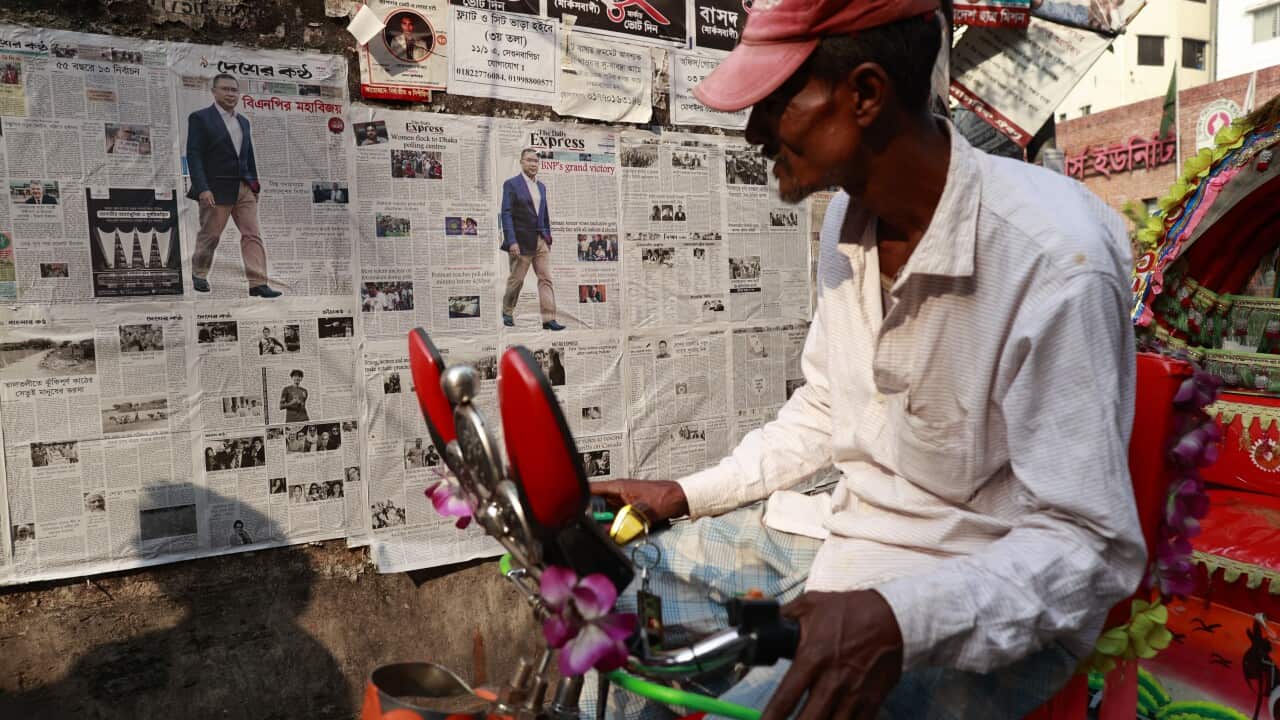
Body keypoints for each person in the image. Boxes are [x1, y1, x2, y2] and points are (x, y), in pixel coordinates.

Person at [586, 2, 1141, 719]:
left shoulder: (1054, 263)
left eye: (777, 103)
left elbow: (1088, 547)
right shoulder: (848, 222)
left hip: (982, 600)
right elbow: (826, 408)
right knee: (625, 612)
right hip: (842, 549)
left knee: (762, 701)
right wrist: (686, 493)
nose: (754, 132)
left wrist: (901, 620)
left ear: (866, 95)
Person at [185, 73, 281, 298]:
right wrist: (202, 188)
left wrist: (255, 186)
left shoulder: (243, 121)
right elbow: (194, 154)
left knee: (252, 234)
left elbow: (248, 155)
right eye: (225, 89)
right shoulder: (200, 118)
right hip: (216, 190)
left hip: (244, 188)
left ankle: (257, 283)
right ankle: (199, 274)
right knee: (211, 235)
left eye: (234, 90)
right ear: (214, 91)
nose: (230, 94)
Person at [500, 148, 564, 331]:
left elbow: (544, 214)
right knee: (516, 280)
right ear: (521, 162)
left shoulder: (541, 186)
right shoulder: (511, 185)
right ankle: (507, 311)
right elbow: (506, 214)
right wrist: (511, 241)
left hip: (540, 241)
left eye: (536, 161)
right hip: (520, 242)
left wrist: (548, 238)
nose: (533, 164)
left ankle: (549, 319)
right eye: (529, 160)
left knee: (545, 279)